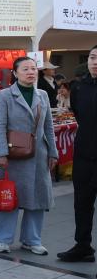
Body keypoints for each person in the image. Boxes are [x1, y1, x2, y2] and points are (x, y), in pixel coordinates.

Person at [0, 56, 57, 256]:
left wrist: (53, 152)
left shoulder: (43, 95)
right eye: (25, 69)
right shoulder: (4, 95)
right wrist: (1, 153)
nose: (31, 72)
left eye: (33, 68)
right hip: (12, 155)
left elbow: (48, 126)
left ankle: (32, 240)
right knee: (8, 195)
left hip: (38, 154)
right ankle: (2, 239)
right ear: (15, 73)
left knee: (38, 198)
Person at [60, 45, 97, 265]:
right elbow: (79, 116)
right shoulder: (80, 87)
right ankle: (82, 246)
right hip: (83, 155)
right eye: (92, 57)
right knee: (82, 203)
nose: (95, 62)